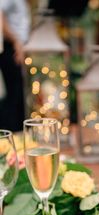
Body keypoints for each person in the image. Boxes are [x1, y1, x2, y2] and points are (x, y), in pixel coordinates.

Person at [0, 0, 30, 132]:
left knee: (18, 92)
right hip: (10, 46)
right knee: (14, 92)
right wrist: (16, 41)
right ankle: (12, 134)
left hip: (15, 46)